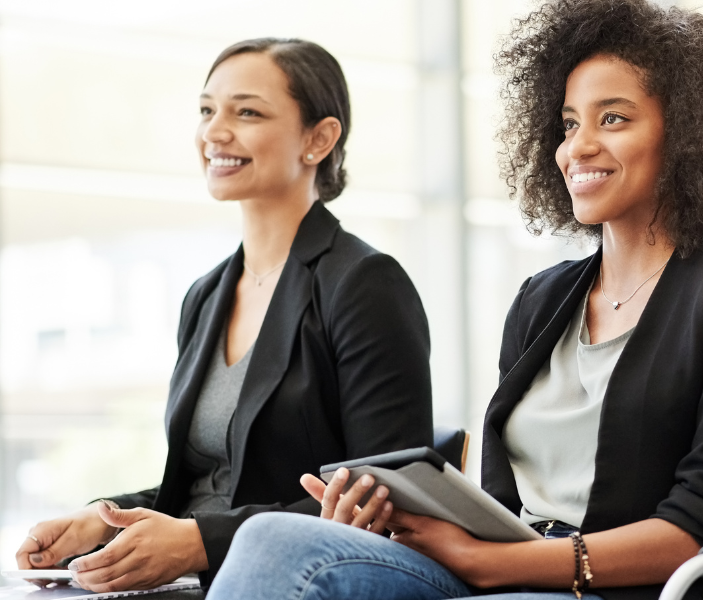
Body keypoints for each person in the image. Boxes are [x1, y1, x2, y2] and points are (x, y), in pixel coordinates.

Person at [206, 1, 703, 599]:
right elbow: (498, 509)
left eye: (615, 119)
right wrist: (412, 525)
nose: (579, 147)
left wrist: (492, 564)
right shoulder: (542, 300)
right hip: (506, 577)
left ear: (689, 136)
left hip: (627, 589)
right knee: (276, 539)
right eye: (570, 124)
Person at [13, 38, 433, 592]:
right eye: (207, 110)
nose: (214, 131)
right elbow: (211, 484)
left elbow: (386, 498)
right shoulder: (207, 295)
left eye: (247, 112)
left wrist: (199, 542)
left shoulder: (362, 285)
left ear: (319, 139)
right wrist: (104, 518)